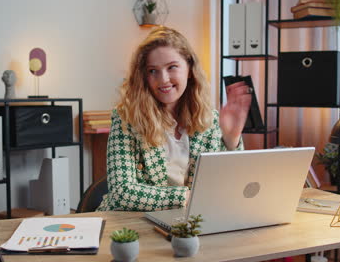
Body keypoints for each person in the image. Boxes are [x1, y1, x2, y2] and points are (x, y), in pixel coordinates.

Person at [96, 26, 252, 212]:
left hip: (190, 225)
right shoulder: (126, 119)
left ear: (189, 69)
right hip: (129, 226)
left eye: (172, 67)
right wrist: (186, 197)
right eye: (153, 71)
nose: (163, 79)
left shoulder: (211, 120)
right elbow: (121, 192)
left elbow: (230, 187)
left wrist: (232, 140)